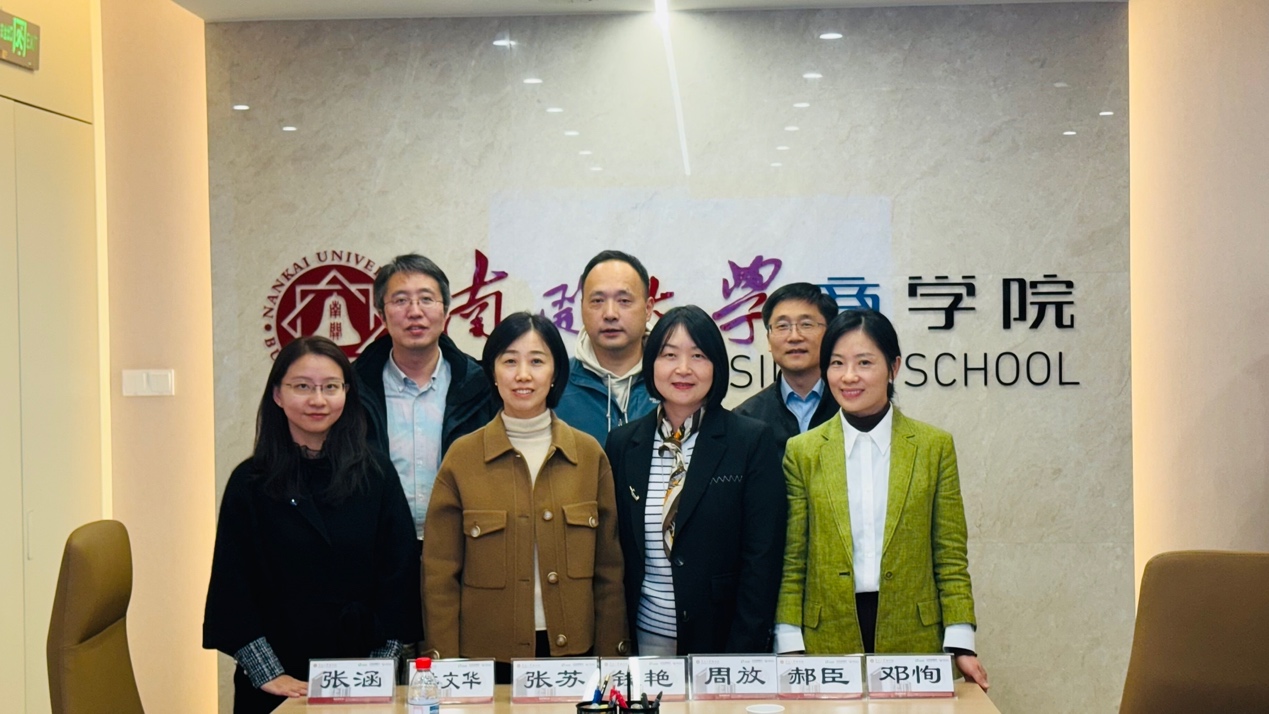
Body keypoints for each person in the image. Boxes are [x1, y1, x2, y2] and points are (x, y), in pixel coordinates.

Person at [204, 336, 422, 714]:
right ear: (277, 395)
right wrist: (268, 673)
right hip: (279, 674)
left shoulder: (375, 473)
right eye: (302, 387)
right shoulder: (250, 481)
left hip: (362, 671)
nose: (318, 400)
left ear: (346, 393)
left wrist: (380, 666)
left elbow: (399, 574)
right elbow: (233, 584)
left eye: (330, 387)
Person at [775, 309, 989, 691]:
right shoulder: (803, 452)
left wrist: (961, 643)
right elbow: (794, 559)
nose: (849, 376)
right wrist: (789, 643)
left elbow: (950, 554)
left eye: (864, 362)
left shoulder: (933, 447)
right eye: (837, 363)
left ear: (893, 368)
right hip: (826, 635)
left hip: (914, 635)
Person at [422, 312, 629, 683]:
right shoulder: (462, 458)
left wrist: (612, 661)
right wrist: (445, 664)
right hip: (485, 660)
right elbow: (440, 575)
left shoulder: (588, 455)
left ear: (555, 373)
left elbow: (608, 573)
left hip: (574, 655)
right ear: (492, 372)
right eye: (509, 361)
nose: (522, 375)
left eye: (536, 361)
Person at [605, 305, 787, 656]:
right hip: (642, 637)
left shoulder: (749, 441)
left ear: (716, 365)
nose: (683, 369)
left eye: (698, 355)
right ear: (651, 364)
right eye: (669, 355)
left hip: (722, 640)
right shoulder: (623, 444)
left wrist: (743, 650)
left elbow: (762, 558)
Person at [354, 253, 496, 540]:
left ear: (445, 311)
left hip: (464, 544)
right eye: (400, 300)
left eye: (426, 299)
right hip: (378, 547)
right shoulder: (354, 389)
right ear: (381, 314)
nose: (415, 311)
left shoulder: (481, 386)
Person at [554, 250, 658, 446]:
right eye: (597, 301)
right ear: (582, 307)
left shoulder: (672, 383)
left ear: (648, 309)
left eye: (624, 301)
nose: (610, 314)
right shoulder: (555, 384)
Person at [735, 282, 840, 452]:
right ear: (769, 340)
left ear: (830, 334)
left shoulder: (851, 406)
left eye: (806, 324)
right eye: (782, 326)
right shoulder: (746, 418)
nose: (794, 337)